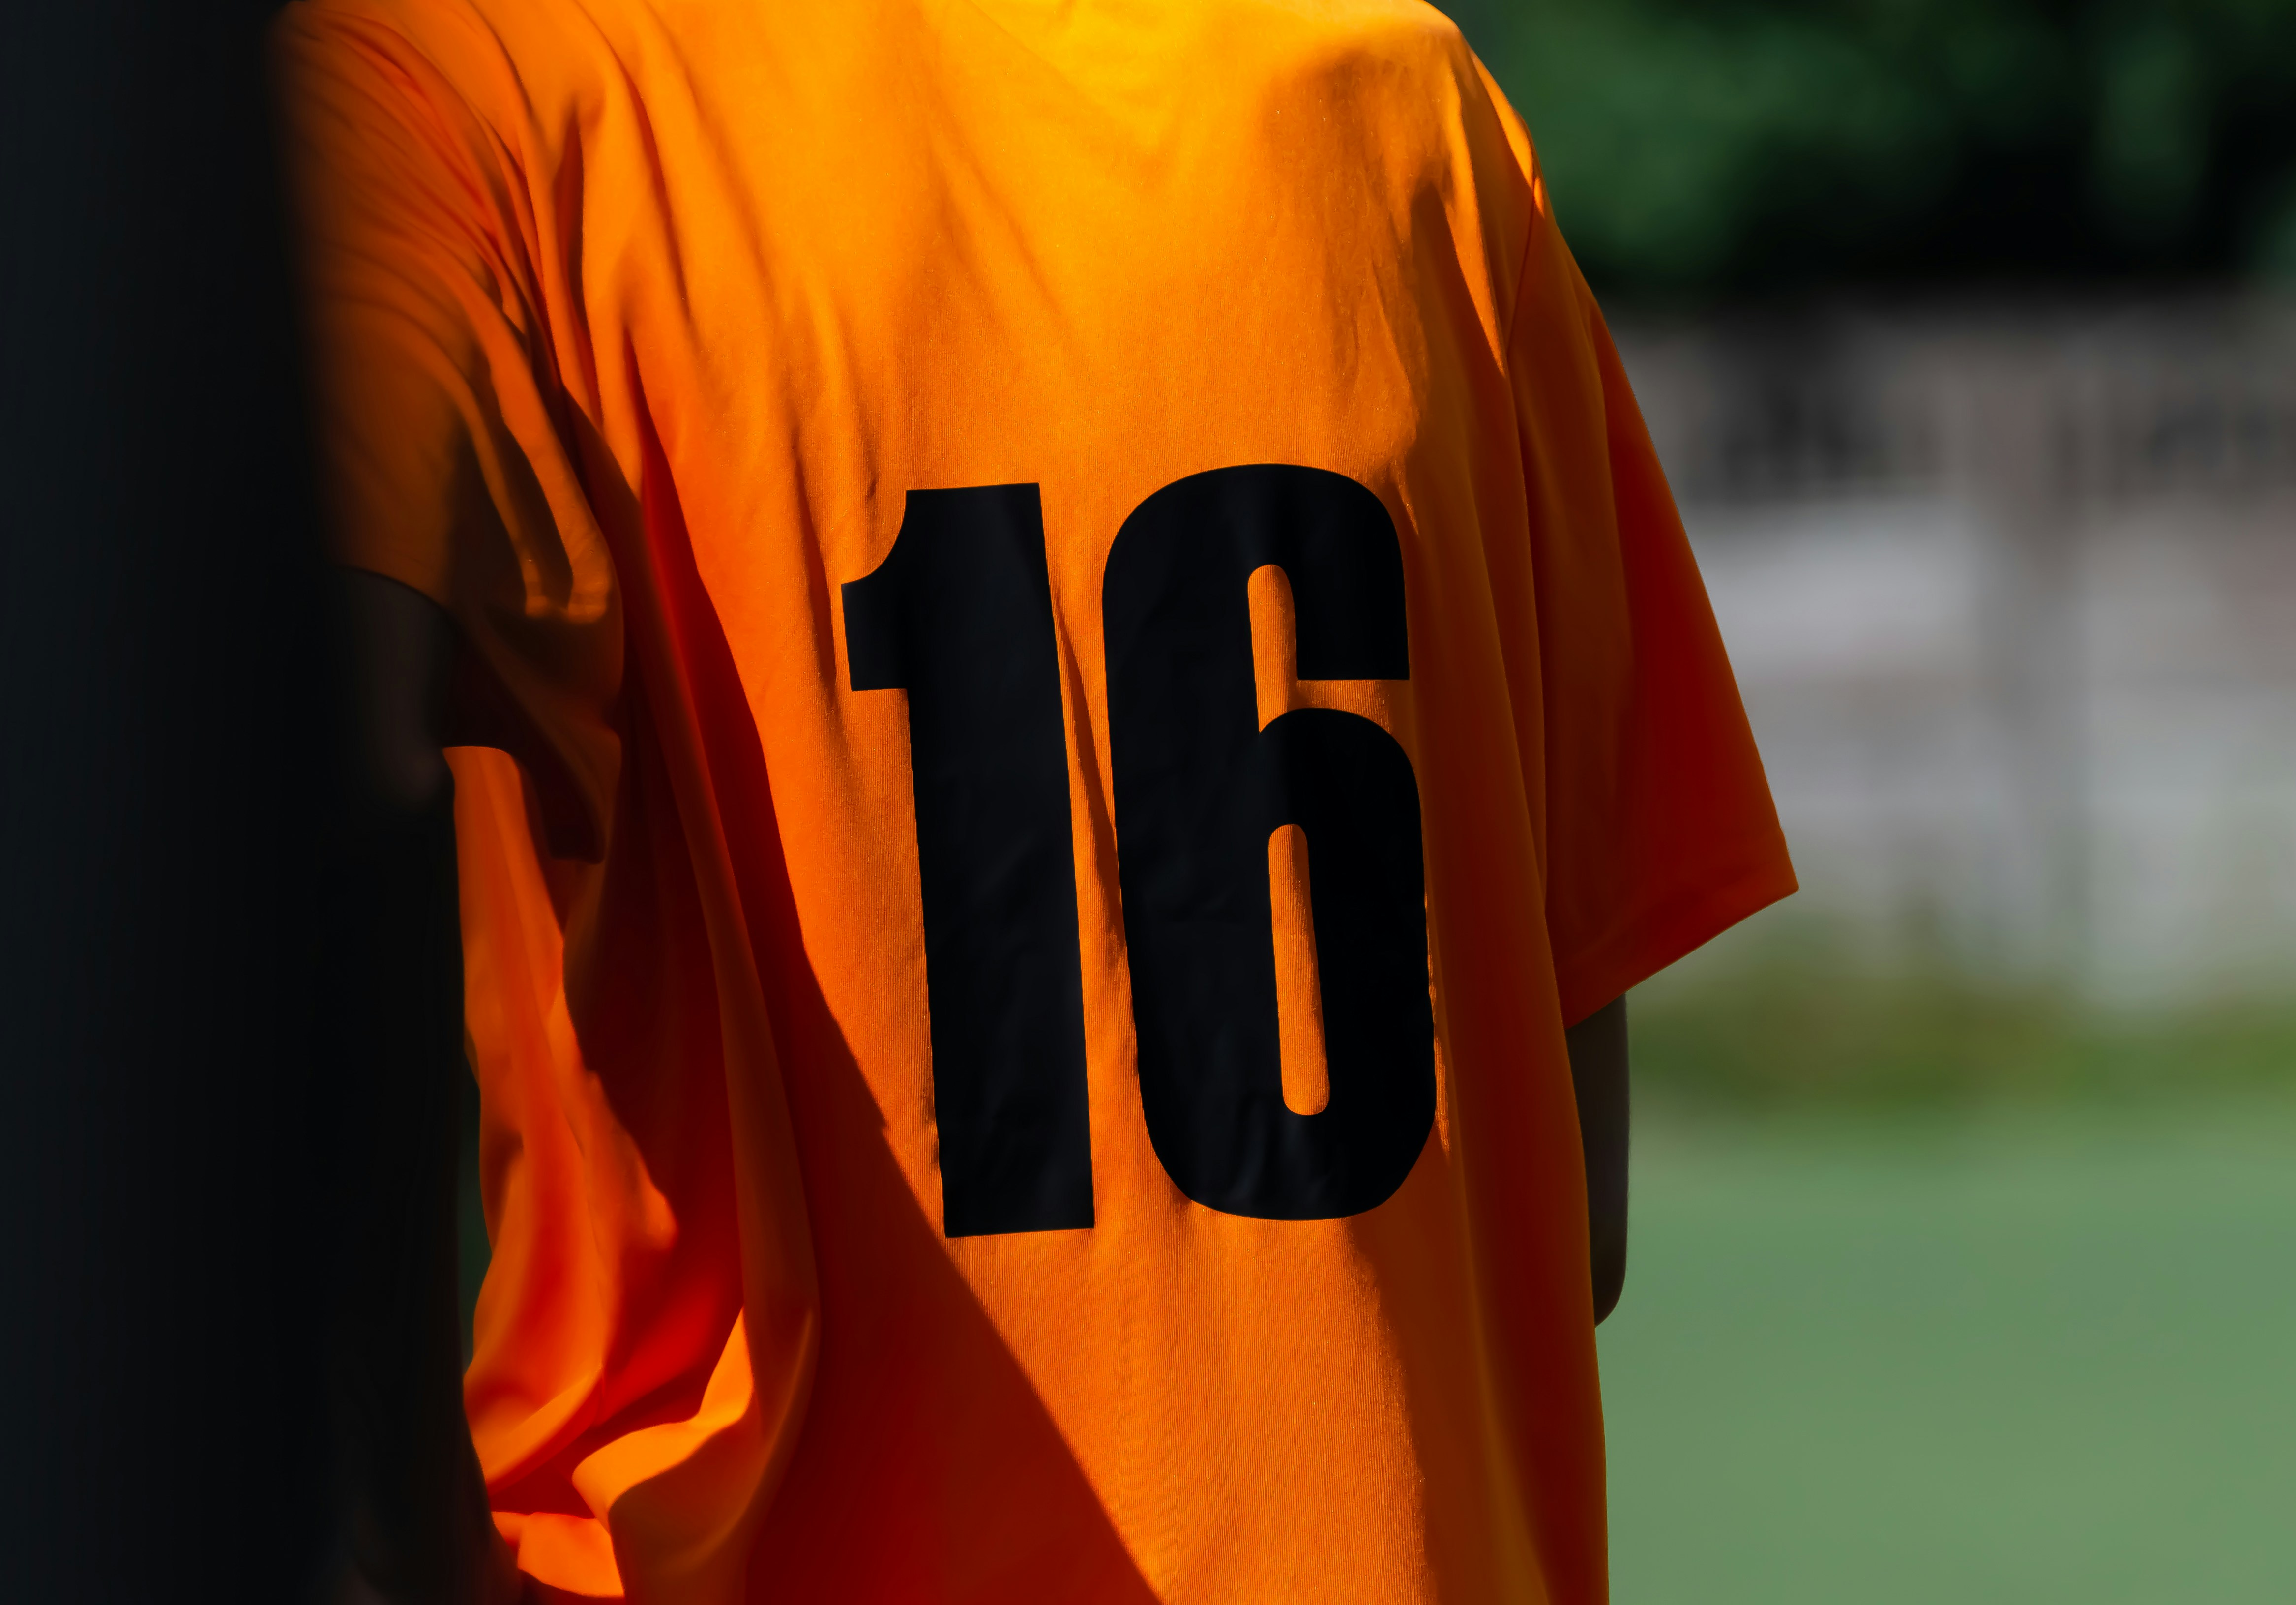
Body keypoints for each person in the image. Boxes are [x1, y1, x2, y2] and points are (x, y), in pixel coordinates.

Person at [278, 0, 1794, 1598]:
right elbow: (1567, 1209)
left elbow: (301, 801)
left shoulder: (448, 87)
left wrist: (388, 1546)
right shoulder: (1398, 100)